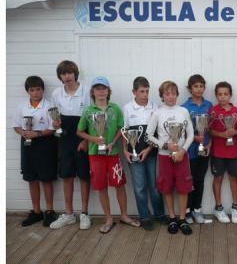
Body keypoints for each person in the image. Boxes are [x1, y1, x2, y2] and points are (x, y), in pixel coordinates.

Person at [77, 76, 140, 234]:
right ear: (93, 91)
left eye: (104, 88)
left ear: (108, 91)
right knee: (101, 186)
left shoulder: (115, 108)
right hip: (94, 154)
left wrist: (113, 142)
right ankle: (108, 218)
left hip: (112, 153)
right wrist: (93, 139)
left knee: (119, 184)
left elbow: (121, 128)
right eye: (97, 88)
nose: (101, 91)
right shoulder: (88, 111)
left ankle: (124, 216)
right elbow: (79, 131)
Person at [146, 81, 194, 235]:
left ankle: (182, 219)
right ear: (162, 96)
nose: (171, 96)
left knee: (183, 187)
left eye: (173, 93)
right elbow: (148, 136)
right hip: (164, 157)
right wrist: (165, 146)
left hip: (181, 157)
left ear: (177, 95)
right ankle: (172, 218)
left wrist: (182, 151)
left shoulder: (183, 111)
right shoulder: (157, 113)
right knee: (166, 187)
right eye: (167, 93)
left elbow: (191, 134)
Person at [49, 61, 92, 230]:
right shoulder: (56, 94)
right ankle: (68, 214)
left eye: (69, 72)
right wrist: (56, 124)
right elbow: (55, 118)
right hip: (65, 139)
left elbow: (92, 118)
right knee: (67, 175)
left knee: (83, 175)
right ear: (60, 76)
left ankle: (84, 213)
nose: (67, 76)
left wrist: (86, 140)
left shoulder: (87, 91)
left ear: (75, 73)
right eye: (63, 73)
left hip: (82, 137)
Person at [13, 76, 58, 227]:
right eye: (32, 90)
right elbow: (16, 125)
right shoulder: (21, 106)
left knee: (46, 179)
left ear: (43, 90)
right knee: (31, 178)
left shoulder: (50, 106)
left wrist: (37, 134)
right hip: (27, 144)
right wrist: (23, 132)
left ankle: (50, 212)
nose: (35, 93)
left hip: (45, 144)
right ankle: (37, 212)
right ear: (28, 91)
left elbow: (54, 128)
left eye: (38, 89)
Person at [122, 76, 166, 231]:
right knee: (140, 186)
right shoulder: (127, 108)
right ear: (134, 92)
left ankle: (160, 214)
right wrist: (125, 150)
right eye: (142, 91)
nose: (145, 95)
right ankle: (145, 216)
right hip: (134, 153)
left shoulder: (156, 107)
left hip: (151, 151)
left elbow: (158, 132)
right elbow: (125, 132)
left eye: (147, 91)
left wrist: (149, 149)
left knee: (154, 186)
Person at [209, 81, 237, 224]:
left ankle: (235, 207)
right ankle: (218, 207)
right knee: (218, 178)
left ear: (230, 95)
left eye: (225, 94)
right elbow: (208, 130)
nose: (222, 97)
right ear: (216, 95)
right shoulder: (213, 111)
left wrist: (236, 131)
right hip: (218, 152)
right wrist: (222, 135)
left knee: (234, 178)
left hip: (234, 151)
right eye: (220, 94)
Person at [181, 74, 213, 224]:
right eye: (195, 86)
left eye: (201, 86)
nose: (199, 89)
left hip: (204, 150)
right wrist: (194, 137)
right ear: (190, 88)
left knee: (200, 180)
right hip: (189, 151)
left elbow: (212, 128)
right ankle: (187, 212)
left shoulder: (209, 105)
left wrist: (209, 144)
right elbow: (181, 131)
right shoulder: (184, 107)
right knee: (189, 180)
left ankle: (197, 211)